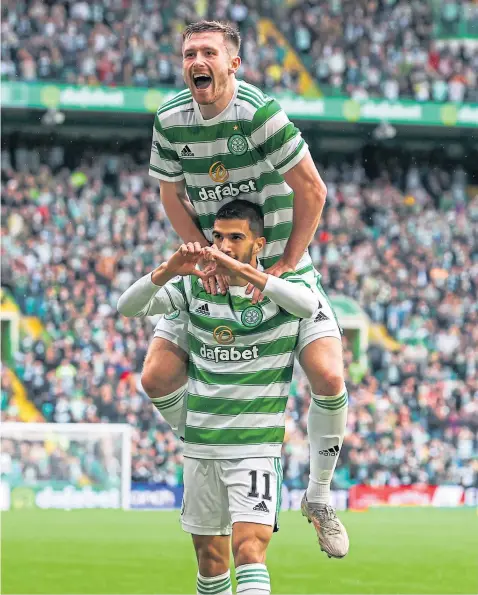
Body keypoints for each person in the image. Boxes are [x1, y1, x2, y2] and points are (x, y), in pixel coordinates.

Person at [146, 19, 349, 558]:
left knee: (329, 375)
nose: (196, 61)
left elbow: (313, 189)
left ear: (233, 64)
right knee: (157, 374)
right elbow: (171, 198)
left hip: (278, 263)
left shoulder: (259, 113)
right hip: (216, 261)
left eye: (208, 52)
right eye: (189, 52)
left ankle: (320, 497)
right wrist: (200, 257)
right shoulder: (170, 120)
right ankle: (210, 447)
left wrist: (285, 264)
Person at [118, 200, 321, 595]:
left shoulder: (282, 286)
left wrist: (244, 275)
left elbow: (309, 306)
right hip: (202, 448)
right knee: (210, 562)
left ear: (258, 243)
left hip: (255, 448)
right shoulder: (194, 285)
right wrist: (167, 271)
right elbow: (128, 307)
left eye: (236, 237)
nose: (224, 246)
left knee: (249, 550)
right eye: (218, 237)